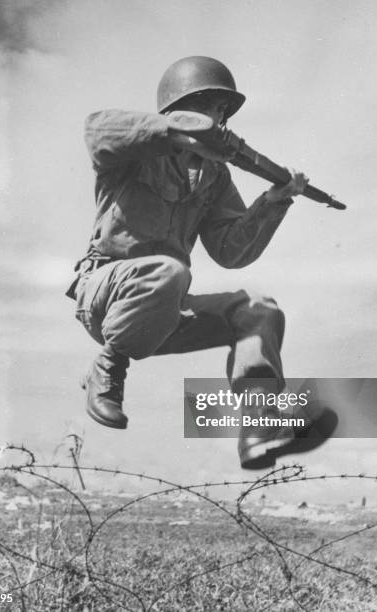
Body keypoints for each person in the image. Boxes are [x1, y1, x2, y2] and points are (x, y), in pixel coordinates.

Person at [67, 56, 334, 470]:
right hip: (105, 294)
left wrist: (274, 200)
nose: (221, 119)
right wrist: (184, 134)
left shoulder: (214, 176)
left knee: (256, 307)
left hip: (162, 306)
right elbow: (95, 128)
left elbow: (231, 252)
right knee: (170, 271)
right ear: (182, 109)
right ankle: (107, 366)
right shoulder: (133, 151)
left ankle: (260, 425)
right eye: (213, 108)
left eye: (223, 112)